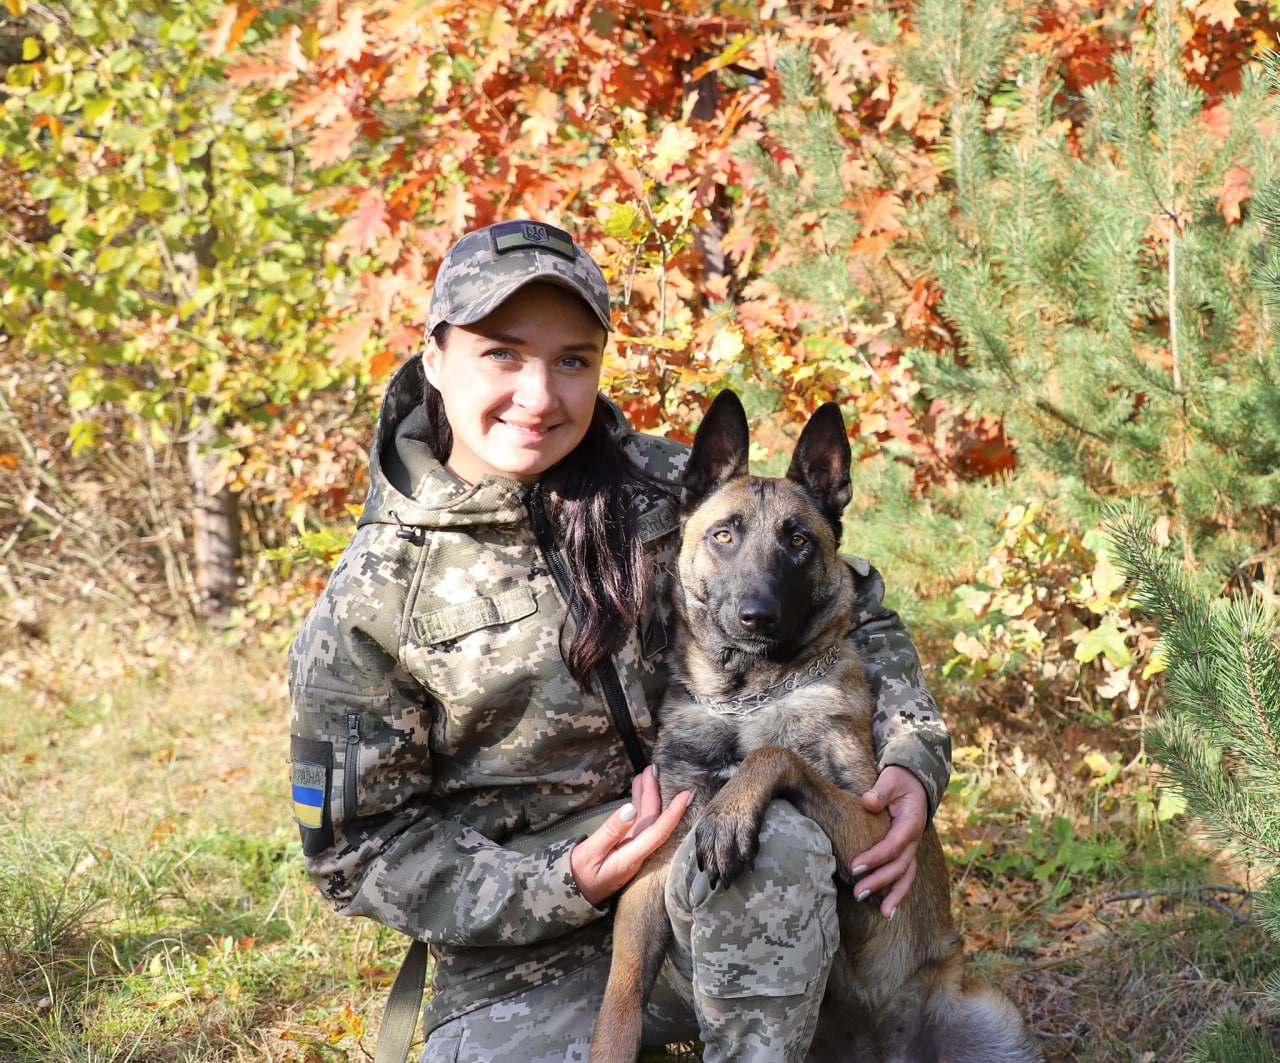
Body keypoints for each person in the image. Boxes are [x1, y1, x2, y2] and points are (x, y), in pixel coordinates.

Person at [288, 219, 953, 1062]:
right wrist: (559, 883)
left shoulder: (669, 489)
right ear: (435, 356)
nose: (539, 394)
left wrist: (913, 754)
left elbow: (845, 601)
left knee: (771, 842)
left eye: (572, 359)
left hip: (722, 885)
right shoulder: (368, 599)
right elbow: (355, 853)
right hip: (520, 963)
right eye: (501, 352)